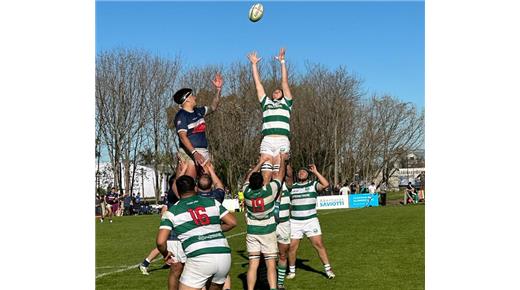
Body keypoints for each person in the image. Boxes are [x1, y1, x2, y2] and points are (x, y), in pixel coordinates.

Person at [157, 175, 237, 290]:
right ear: (195, 188)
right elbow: (232, 222)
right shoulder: (212, 202)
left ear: (178, 192)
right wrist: (213, 229)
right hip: (223, 255)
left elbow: (160, 242)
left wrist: (165, 254)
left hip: (199, 257)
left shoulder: (172, 212)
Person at [247, 48, 293, 186]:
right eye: (274, 91)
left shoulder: (287, 103)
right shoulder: (266, 103)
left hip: (282, 140)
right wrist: (254, 65)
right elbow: (258, 85)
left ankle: (278, 204)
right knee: (266, 175)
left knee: (278, 174)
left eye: (279, 91)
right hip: (267, 140)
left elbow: (284, 82)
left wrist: (282, 62)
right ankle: (267, 202)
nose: (276, 91)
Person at [243, 152, 288, 290]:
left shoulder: (246, 192)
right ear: (262, 182)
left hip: (252, 231)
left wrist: (260, 163)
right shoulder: (269, 190)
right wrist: (282, 160)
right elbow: (280, 176)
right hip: (268, 231)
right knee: (270, 265)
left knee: (253, 264)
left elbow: (248, 177)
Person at [287, 164, 336, 280]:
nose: (301, 173)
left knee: (319, 245)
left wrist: (316, 172)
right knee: (292, 247)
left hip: (311, 221)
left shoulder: (313, 184)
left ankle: (328, 270)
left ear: (308, 175)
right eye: (299, 172)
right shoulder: (292, 187)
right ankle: (292, 271)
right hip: (295, 222)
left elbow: (326, 184)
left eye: (303, 172)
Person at [173, 73, 223, 179]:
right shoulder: (181, 115)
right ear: (187, 100)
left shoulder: (198, 111)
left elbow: (214, 106)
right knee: (187, 184)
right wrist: (194, 153)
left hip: (203, 151)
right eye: (192, 96)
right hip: (190, 153)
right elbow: (182, 136)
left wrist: (218, 89)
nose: (195, 97)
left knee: (206, 183)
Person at [275, 163, 293, 290]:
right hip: (269, 224)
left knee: (283, 254)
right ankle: (266, 281)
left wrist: (285, 160)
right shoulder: (267, 186)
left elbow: (290, 175)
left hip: (284, 224)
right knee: (265, 255)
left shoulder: (287, 186)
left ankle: (280, 283)